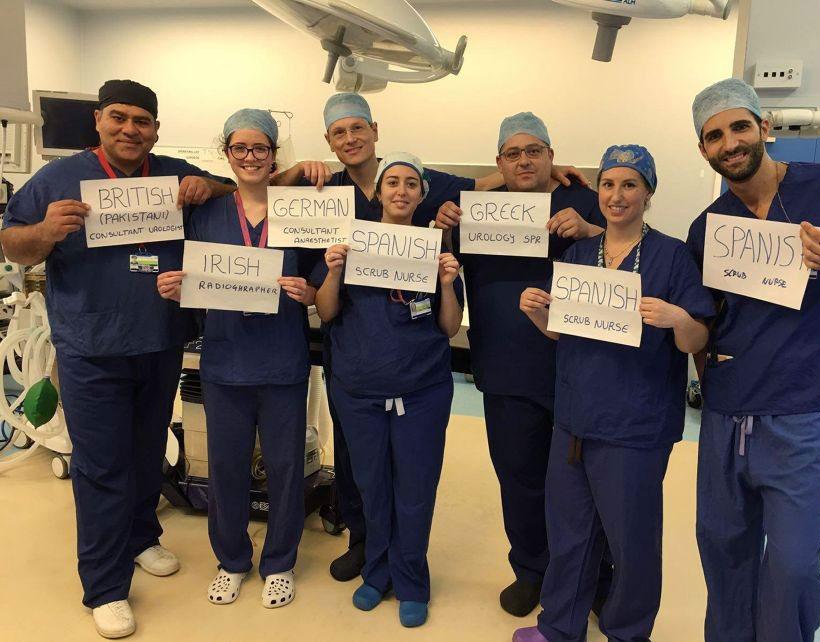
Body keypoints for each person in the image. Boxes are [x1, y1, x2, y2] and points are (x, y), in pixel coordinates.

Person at [277, 93, 589, 583]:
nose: (351, 138)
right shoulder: (329, 191)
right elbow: (260, 201)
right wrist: (293, 175)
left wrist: (542, 170)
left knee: (422, 479)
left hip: (425, 374)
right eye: (339, 132)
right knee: (363, 470)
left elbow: (480, 187)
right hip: (355, 370)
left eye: (358, 128)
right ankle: (368, 547)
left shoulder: (452, 206)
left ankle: (416, 566)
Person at [0, 79, 234, 639]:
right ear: (99, 120)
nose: (131, 129)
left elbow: (233, 190)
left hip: (158, 341)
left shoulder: (172, 173)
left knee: (147, 449)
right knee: (102, 464)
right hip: (91, 347)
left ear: (156, 128)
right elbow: (13, 243)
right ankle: (104, 585)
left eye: (143, 121)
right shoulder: (57, 179)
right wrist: (47, 231)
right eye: (120, 118)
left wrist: (209, 185)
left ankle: (139, 537)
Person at [513, 144, 714, 642]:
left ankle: (628, 631)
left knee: (631, 541)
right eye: (608, 184)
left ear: (648, 192)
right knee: (570, 533)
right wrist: (538, 311)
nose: (616, 195)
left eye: (629, 185)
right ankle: (560, 626)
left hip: (635, 426)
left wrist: (678, 319)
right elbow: (564, 332)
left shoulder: (672, 257)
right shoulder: (581, 255)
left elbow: (697, 340)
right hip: (576, 418)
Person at [687, 78, 820, 642]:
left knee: (792, 565)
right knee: (724, 551)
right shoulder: (708, 228)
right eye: (714, 135)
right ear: (703, 149)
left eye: (739, 126)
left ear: (765, 127)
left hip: (802, 414)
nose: (729, 142)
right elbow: (706, 321)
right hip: (727, 413)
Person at [432, 112, 609, 616]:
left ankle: (593, 576)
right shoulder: (477, 214)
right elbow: (434, 261)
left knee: (583, 484)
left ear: (552, 157)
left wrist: (592, 229)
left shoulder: (584, 203)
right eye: (513, 153)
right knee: (519, 478)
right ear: (499, 163)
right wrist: (443, 230)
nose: (524, 160)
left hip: (576, 372)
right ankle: (531, 570)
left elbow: (639, 252)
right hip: (504, 373)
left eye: (535, 151)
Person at [155, 109, 317, 609]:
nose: (250, 157)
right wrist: (172, 287)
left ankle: (280, 562)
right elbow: (188, 276)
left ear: (274, 156)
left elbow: (320, 283)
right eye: (240, 149)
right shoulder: (206, 214)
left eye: (260, 149)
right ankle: (231, 560)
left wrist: (308, 291)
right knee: (225, 468)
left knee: (287, 467)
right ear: (227, 153)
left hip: (283, 361)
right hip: (225, 362)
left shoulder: (298, 212)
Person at [314, 152, 463, 628]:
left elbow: (449, 326)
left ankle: (412, 579)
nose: (401, 190)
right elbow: (328, 312)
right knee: (372, 488)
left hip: (422, 392)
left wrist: (446, 282)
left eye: (411, 184)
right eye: (392, 182)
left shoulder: (435, 249)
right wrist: (334, 270)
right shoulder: (352, 244)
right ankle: (377, 573)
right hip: (359, 390)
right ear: (378, 192)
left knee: (415, 489)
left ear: (422, 194)